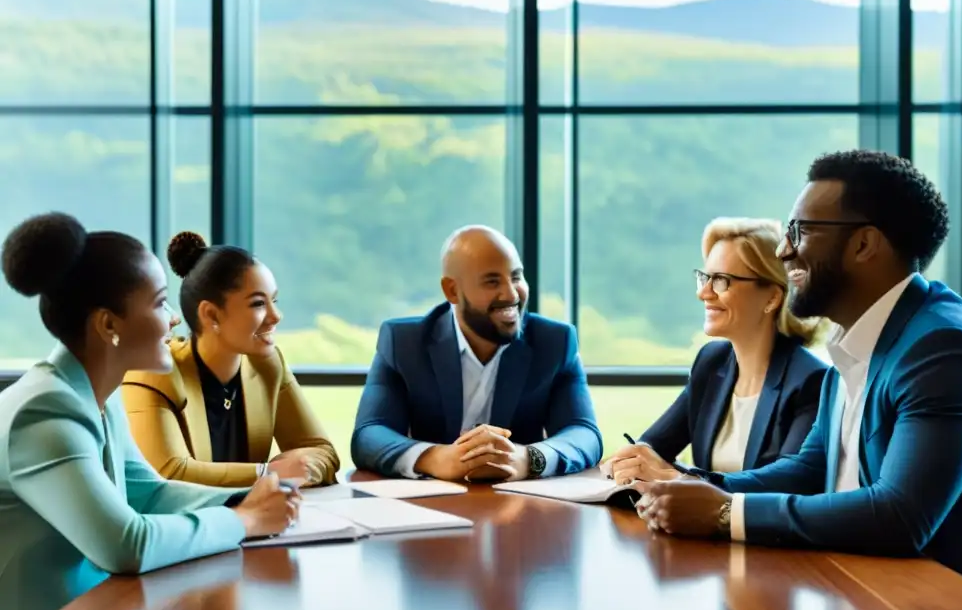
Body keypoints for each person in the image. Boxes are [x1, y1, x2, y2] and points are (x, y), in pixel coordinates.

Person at [634, 150, 962, 608]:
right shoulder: (855, 339)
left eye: (800, 231)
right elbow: (811, 466)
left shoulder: (944, 349)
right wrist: (690, 484)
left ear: (864, 245)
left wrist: (724, 512)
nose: (783, 250)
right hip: (867, 600)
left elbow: (899, 515)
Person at [0, 213, 299, 610]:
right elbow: (126, 545)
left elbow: (149, 493)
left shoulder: (92, 392)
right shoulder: (44, 412)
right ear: (108, 325)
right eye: (160, 303)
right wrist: (244, 519)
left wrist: (249, 498)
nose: (175, 319)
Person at [351, 225, 602, 481]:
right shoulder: (404, 342)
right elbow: (369, 434)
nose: (511, 294)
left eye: (516, 277)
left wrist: (529, 458)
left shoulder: (555, 342)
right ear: (452, 290)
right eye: (492, 281)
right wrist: (436, 458)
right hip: (430, 507)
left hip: (518, 508)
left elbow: (584, 433)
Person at [604, 218, 827, 484]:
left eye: (721, 280)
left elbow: (788, 483)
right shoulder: (711, 362)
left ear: (771, 298)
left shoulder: (811, 380)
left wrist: (681, 479)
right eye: (705, 278)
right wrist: (634, 460)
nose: (704, 293)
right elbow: (653, 447)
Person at [122, 232, 339, 488]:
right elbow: (169, 474)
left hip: (262, 520)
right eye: (258, 304)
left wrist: (300, 468)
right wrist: (269, 473)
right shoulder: (154, 371)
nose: (276, 315)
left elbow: (323, 451)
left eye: (274, 300)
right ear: (211, 314)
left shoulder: (268, 365)